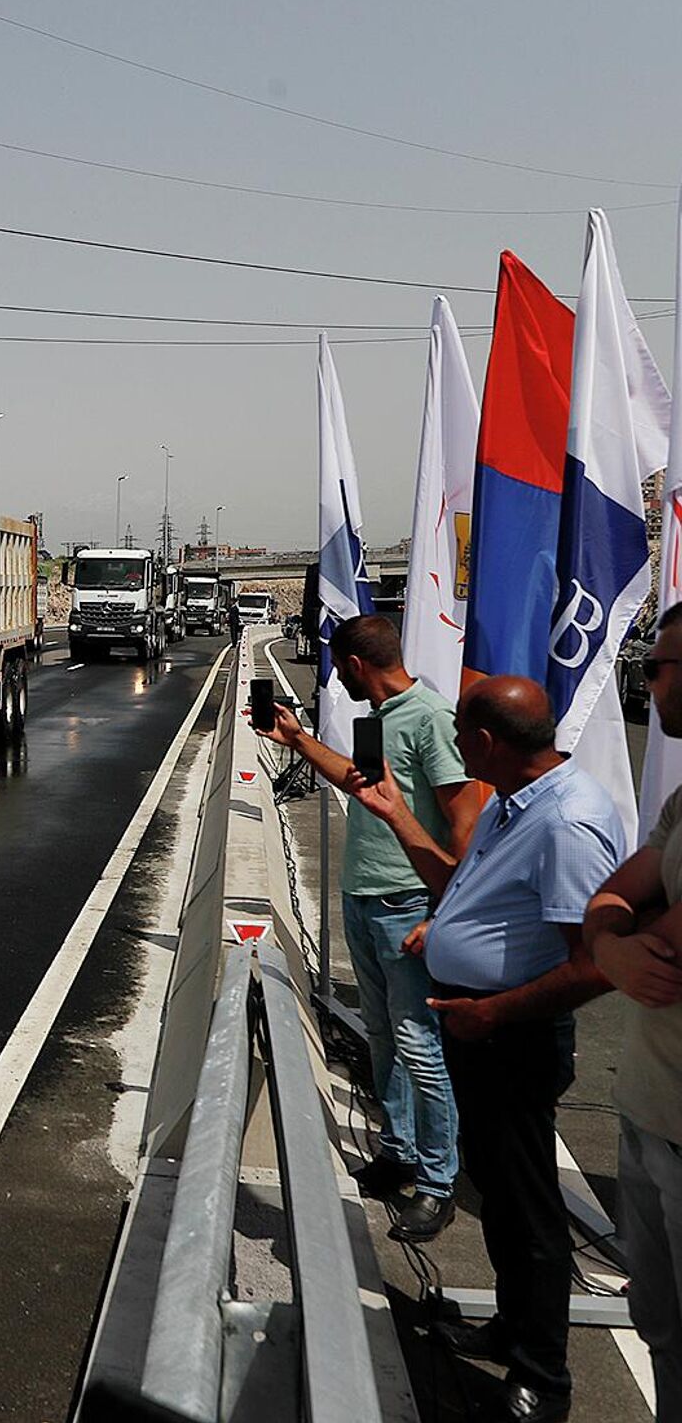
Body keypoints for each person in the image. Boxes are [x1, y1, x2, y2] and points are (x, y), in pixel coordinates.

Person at [350, 676, 625, 1423]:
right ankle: (510, 1328)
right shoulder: (513, 806)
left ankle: (543, 1377)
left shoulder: (566, 822)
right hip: (479, 1030)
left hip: (514, 1038)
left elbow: (594, 962)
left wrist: (494, 1012)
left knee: (531, 1213)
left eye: (464, 741)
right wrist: (401, 818)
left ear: (483, 744)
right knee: (500, 1200)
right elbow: (456, 892)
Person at [255, 614, 478, 1241]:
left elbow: (467, 824)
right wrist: (298, 741)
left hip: (410, 905)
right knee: (384, 1035)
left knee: (420, 1047)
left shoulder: (430, 717)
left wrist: (444, 916)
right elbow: (364, 787)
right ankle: (398, 1151)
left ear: (353, 667)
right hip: (365, 898)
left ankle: (437, 1183)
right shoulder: (379, 720)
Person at [583, 601, 682, 1420]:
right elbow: (616, 895)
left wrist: (615, 938)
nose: (648, 678)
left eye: (661, 665)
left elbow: (665, 939)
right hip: (648, 1113)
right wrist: (614, 942)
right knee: (660, 1327)